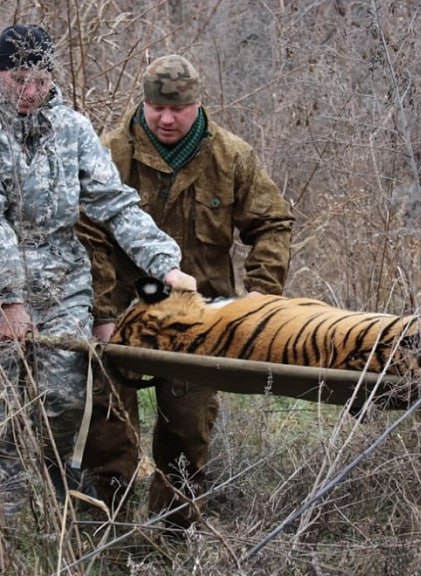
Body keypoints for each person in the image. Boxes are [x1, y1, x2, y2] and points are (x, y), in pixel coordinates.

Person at [77, 54, 294, 530]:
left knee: (188, 435)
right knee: (107, 433)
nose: (167, 118)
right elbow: (87, 233)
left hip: (200, 321)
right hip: (120, 316)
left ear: (198, 103)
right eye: (157, 108)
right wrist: (101, 313)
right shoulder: (110, 151)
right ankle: (105, 537)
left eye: (179, 108)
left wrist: (260, 302)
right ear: (145, 103)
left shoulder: (230, 156)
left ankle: (173, 539)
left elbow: (273, 223)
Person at [0, 25, 197, 517]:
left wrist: (164, 264)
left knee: (62, 400)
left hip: (63, 278)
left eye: (40, 79)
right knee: (6, 406)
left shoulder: (72, 129)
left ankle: (44, 497)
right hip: (5, 275)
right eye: (19, 78)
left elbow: (115, 203)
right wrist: (8, 298)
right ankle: (10, 505)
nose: (30, 91)